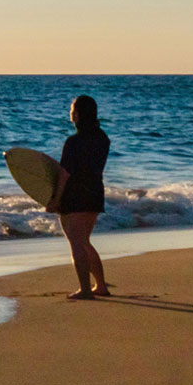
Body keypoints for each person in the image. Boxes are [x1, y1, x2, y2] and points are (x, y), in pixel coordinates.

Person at [52, 95, 112, 299]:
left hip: (75, 196)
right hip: (95, 193)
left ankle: (86, 290)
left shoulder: (73, 142)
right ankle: (101, 286)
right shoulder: (103, 138)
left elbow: (64, 174)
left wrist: (55, 200)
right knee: (85, 241)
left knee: (76, 243)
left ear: (77, 114)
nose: (70, 113)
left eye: (71, 110)